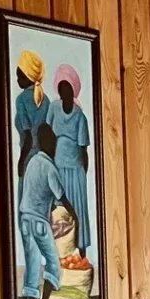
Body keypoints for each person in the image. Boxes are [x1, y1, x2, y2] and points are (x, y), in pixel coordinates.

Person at [16, 123, 65, 299]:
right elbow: (61, 195)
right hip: (39, 221)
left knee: (33, 260)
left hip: (25, 218)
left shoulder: (33, 162)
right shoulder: (49, 167)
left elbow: (34, 191)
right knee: (53, 261)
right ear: (49, 144)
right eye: (54, 143)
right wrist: (74, 215)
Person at [46, 66, 94, 255]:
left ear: (74, 90)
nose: (64, 92)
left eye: (68, 88)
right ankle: (58, 254)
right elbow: (47, 134)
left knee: (78, 209)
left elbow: (84, 149)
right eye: (61, 88)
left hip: (75, 169)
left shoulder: (80, 116)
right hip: (58, 166)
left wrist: (83, 172)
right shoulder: (53, 108)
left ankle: (81, 251)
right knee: (59, 209)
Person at [13, 49, 48, 180]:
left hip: (28, 156)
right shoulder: (46, 99)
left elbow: (28, 137)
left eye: (20, 76)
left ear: (28, 76)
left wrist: (21, 161)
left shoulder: (21, 100)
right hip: (44, 158)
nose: (17, 80)